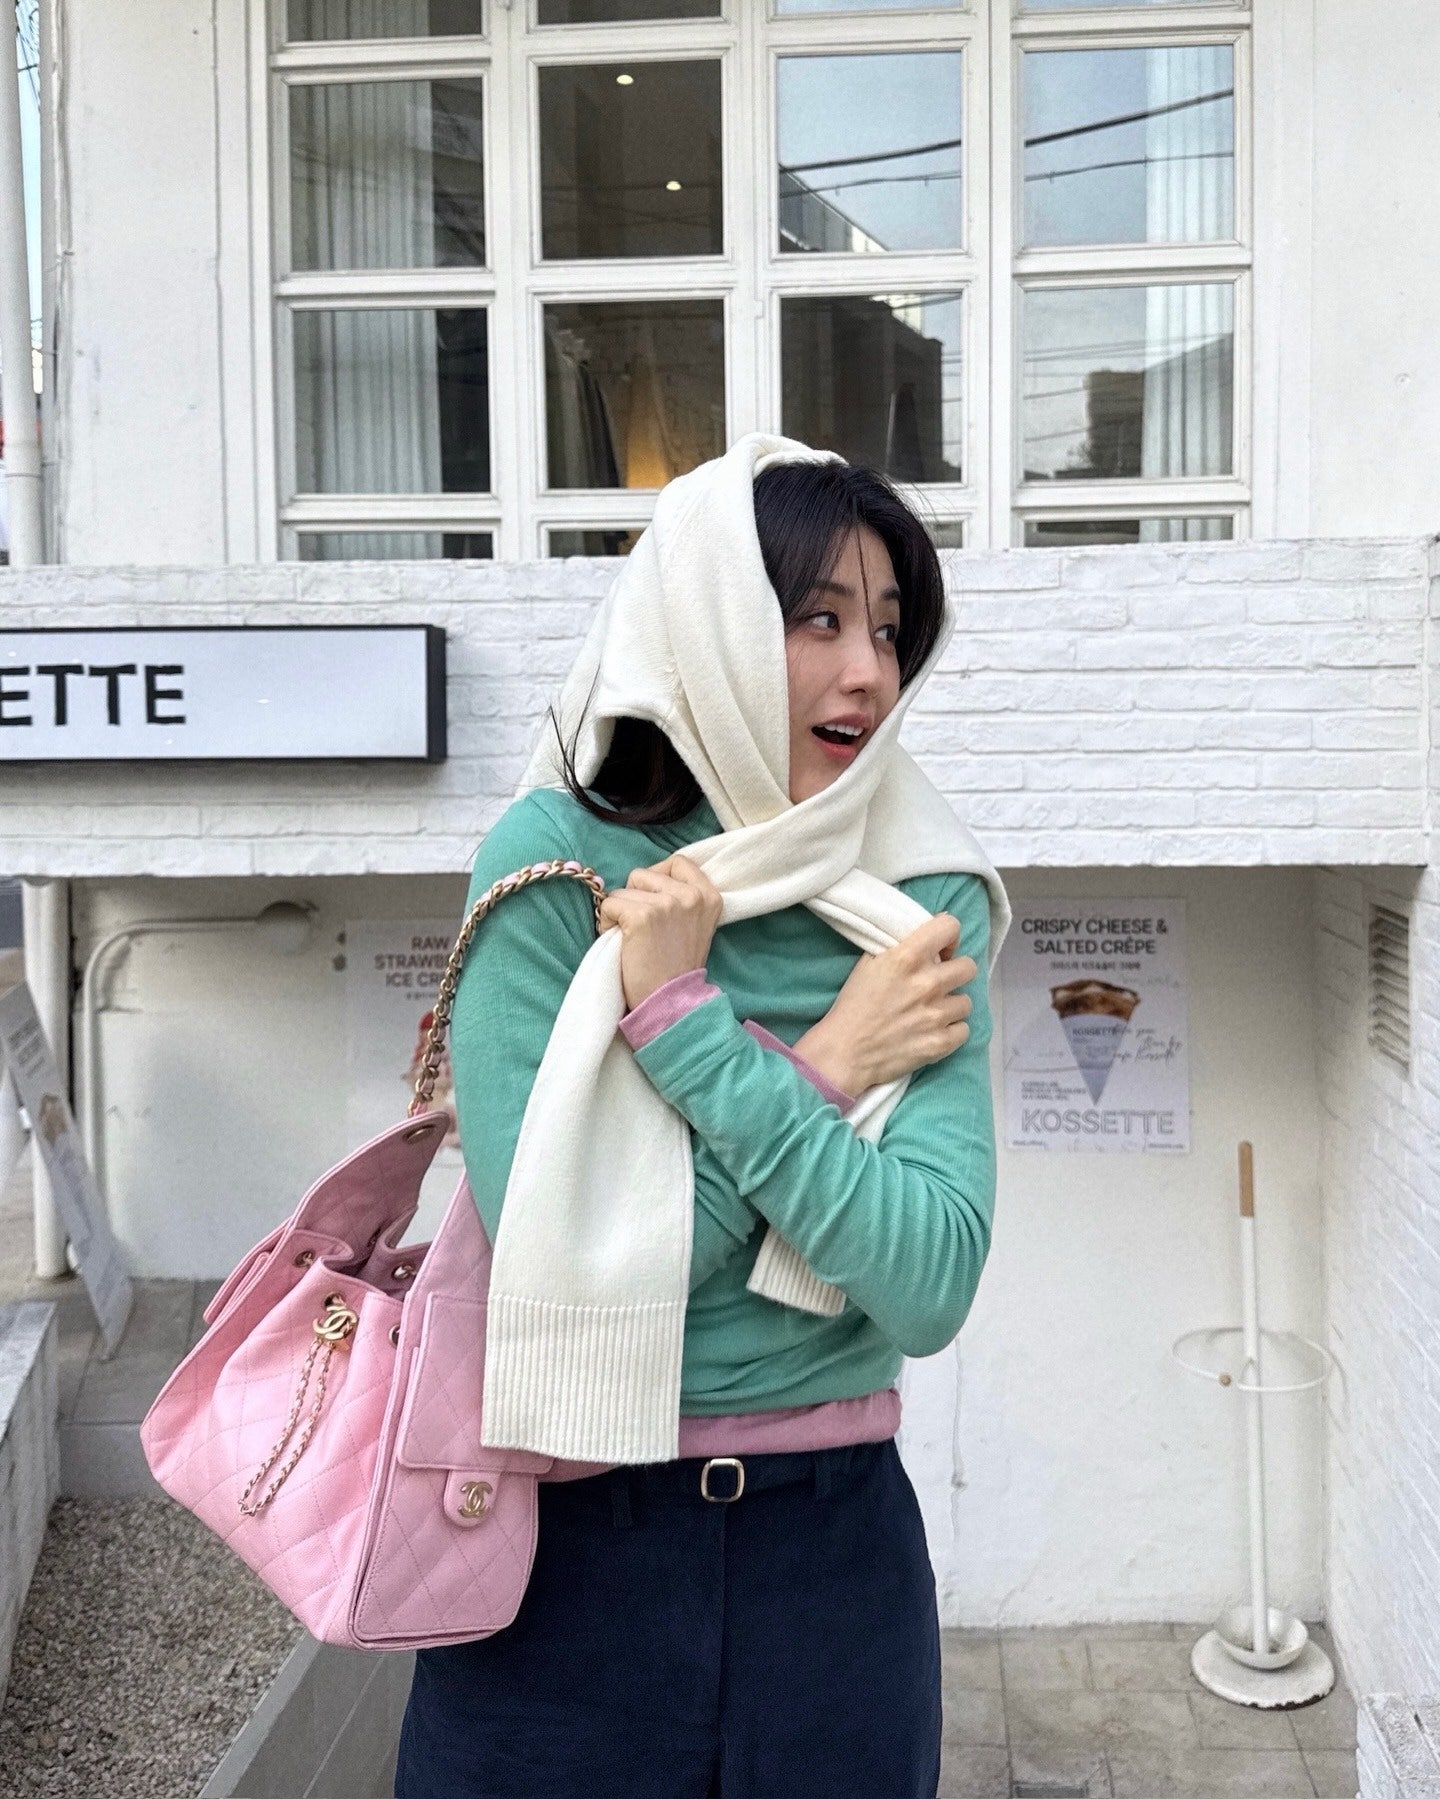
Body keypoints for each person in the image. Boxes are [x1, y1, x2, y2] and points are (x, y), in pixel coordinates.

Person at [393, 434, 1008, 1799]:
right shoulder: (557, 868)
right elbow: (563, 1270)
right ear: (705, 625)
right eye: (818, 620)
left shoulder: (923, 896)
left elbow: (926, 1281)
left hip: (832, 1574)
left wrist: (684, 1035)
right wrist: (831, 1062)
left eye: (888, 628)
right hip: (561, 1557)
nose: (869, 672)